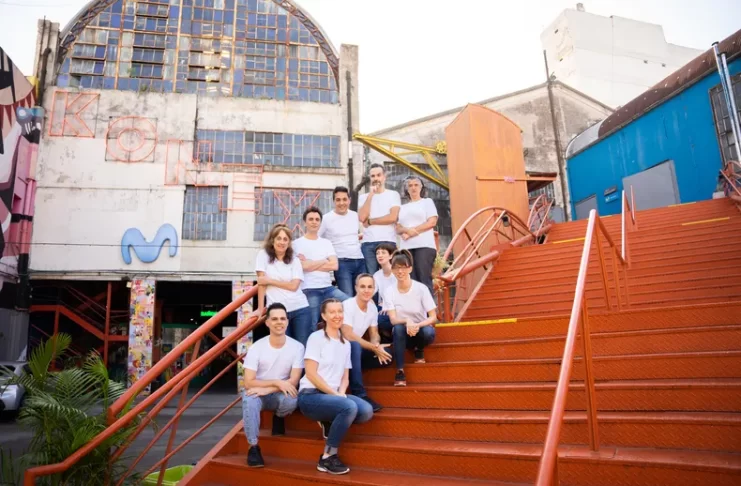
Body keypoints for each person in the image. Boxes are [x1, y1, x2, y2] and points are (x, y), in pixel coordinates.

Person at [297, 299, 374, 475]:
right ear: (324, 316)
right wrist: (335, 395)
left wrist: (340, 393)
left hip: (331, 396)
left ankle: (329, 418)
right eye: (332, 312)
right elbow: (311, 374)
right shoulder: (316, 338)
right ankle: (327, 457)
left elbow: (345, 377)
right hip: (310, 396)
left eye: (340, 311)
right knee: (349, 406)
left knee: (366, 411)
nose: (337, 315)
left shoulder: (345, 343)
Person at [242, 303, 305, 468]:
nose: (279, 322)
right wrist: (276, 382)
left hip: (279, 393)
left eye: (283, 319)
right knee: (249, 400)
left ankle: (279, 415)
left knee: (291, 399)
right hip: (259, 392)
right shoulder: (256, 347)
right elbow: (248, 382)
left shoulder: (297, 347)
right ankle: (253, 447)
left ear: (287, 322)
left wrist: (270, 388)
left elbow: (294, 381)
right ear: (267, 323)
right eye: (275, 319)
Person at [382, 250, 438, 387]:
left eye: (403, 267)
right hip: (403, 333)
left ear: (410, 269)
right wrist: (407, 321)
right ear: (392, 270)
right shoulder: (389, 291)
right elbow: (393, 320)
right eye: (396, 268)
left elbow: (433, 317)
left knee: (427, 332)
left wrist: (417, 325)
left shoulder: (421, 288)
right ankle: (400, 371)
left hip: (421, 330)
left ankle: (419, 349)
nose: (400, 271)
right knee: (398, 328)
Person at [255, 224, 313, 347]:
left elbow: (294, 286)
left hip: (300, 309)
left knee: (301, 348)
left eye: (285, 239)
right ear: (272, 240)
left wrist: (270, 281)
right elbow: (261, 283)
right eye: (279, 238)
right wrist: (260, 309)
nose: (282, 242)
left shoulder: (294, 260)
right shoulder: (263, 255)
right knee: (283, 348)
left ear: (289, 243)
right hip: (277, 312)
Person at [342, 274, 392, 412]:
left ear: (374, 289)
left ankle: (354, 368)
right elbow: (348, 335)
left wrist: (376, 345)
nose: (366, 290)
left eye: (370, 287)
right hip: (341, 350)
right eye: (362, 286)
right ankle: (360, 394)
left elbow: (374, 333)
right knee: (354, 346)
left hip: (356, 352)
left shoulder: (372, 308)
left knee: (388, 355)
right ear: (356, 288)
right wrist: (372, 347)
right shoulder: (348, 305)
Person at [294, 206, 349, 326]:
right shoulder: (296, 244)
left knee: (350, 304)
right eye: (311, 219)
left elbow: (334, 265)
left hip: (328, 288)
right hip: (309, 289)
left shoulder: (326, 243)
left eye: (317, 219)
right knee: (312, 324)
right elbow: (302, 267)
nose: (314, 222)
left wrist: (310, 263)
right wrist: (324, 261)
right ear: (305, 222)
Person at [319, 187, 366, 297]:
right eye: (338, 200)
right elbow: (317, 239)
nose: (341, 203)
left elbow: (354, 234)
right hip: (342, 262)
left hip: (360, 260)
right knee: (347, 297)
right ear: (334, 201)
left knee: (362, 295)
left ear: (349, 200)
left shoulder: (355, 215)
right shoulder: (326, 218)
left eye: (344, 199)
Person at [396, 176, 439, 295]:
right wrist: (406, 230)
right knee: (410, 281)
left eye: (416, 185)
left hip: (424, 246)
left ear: (421, 187)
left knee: (424, 279)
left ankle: (428, 307)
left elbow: (432, 222)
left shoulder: (427, 202)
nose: (413, 187)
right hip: (406, 248)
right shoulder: (402, 207)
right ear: (407, 189)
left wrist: (411, 232)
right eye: (410, 185)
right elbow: (397, 227)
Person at [358, 163, 401, 274]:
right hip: (368, 243)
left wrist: (370, 221)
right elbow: (362, 218)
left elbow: (392, 217)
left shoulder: (393, 194)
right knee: (371, 278)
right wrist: (371, 195)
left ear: (384, 177)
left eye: (378, 175)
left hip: (388, 241)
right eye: (373, 176)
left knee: (390, 276)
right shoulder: (363, 197)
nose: (376, 178)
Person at [372, 243, 397, 337]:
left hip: (397, 306)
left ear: (391, 256)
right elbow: (370, 293)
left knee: (380, 319)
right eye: (377, 253)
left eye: (383, 252)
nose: (380, 255)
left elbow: (400, 294)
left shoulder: (397, 272)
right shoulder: (377, 275)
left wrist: (387, 304)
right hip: (382, 307)